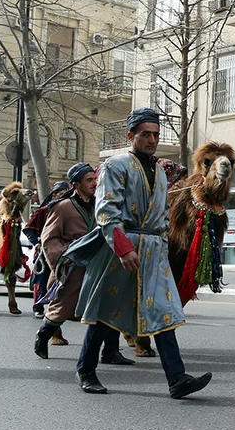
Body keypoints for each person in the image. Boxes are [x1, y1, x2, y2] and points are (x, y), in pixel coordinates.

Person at [64, 108, 211, 398]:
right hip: (122, 248)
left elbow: (163, 215)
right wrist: (123, 249)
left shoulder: (160, 171)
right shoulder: (115, 165)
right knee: (106, 313)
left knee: (163, 313)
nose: (152, 140)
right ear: (131, 135)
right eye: (146, 134)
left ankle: (177, 379)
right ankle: (85, 370)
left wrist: (164, 247)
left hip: (154, 251)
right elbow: (106, 211)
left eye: (156, 134)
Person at [33, 163, 133, 363]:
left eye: (95, 179)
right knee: (63, 306)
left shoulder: (102, 205)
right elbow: (49, 238)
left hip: (100, 264)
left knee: (108, 304)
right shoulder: (63, 207)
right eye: (89, 180)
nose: (95, 183)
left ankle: (111, 351)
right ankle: (43, 337)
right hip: (72, 266)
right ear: (76, 185)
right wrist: (64, 259)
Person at [25, 180, 71, 320]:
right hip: (45, 250)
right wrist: (37, 242)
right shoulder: (44, 211)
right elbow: (28, 229)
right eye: (61, 194)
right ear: (55, 195)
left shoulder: (71, 211)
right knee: (42, 278)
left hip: (64, 250)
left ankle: (62, 308)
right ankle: (38, 307)